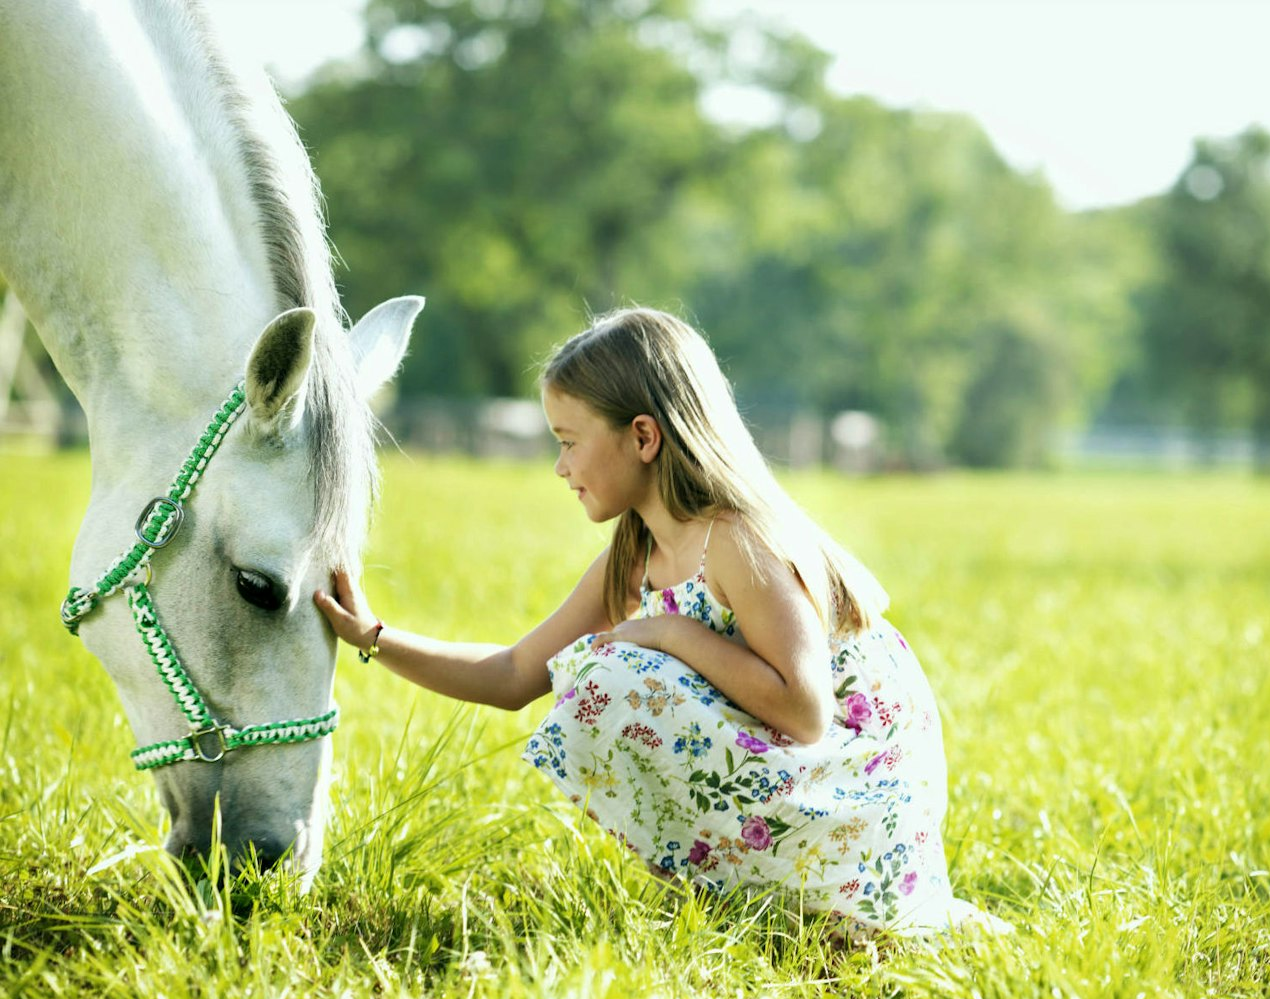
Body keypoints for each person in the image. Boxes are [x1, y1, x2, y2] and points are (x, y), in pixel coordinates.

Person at [315, 307, 1003, 938]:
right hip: (791, 772)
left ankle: (814, 907)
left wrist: (674, 635)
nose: (559, 467)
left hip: (856, 785)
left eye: (569, 441)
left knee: (609, 677)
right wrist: (373, 637)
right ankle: (746, 898)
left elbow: (805, 711)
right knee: (598, 672)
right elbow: (516, 674)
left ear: (642, 435)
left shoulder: (737, 540)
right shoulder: (635, 555)